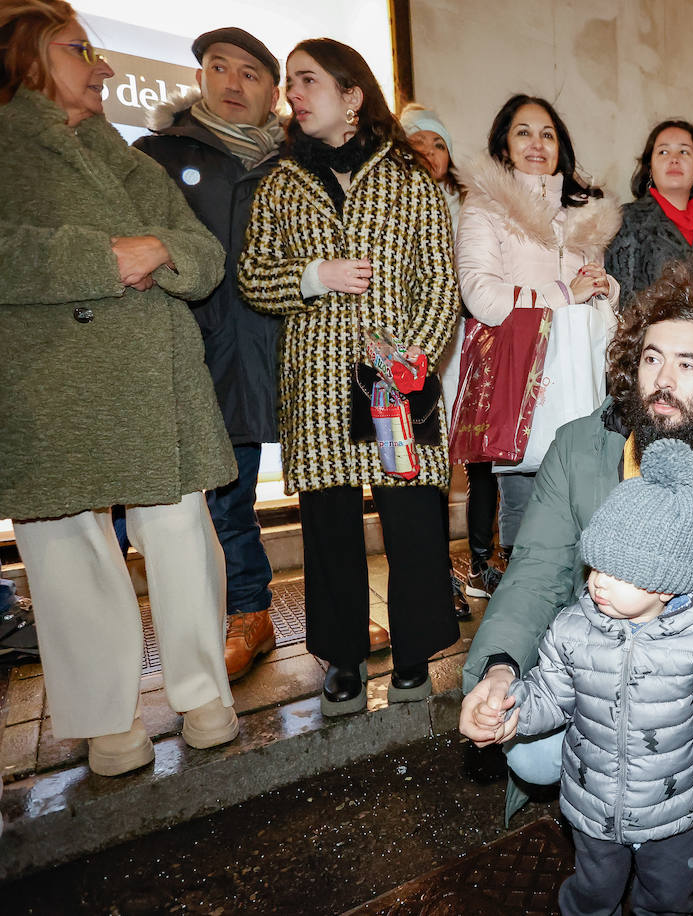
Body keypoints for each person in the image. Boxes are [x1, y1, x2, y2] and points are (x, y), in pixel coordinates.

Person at [458, 262, 693, 840]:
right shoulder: (583, 446)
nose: (663, 378)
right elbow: (536, 569)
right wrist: (499, 666)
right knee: (529, 754)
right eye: (652, 357)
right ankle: (625, 788)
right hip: (600, 647)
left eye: (689, 364)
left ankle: (668, 776)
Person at [0, 0, 241, 775]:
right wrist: (105, 256)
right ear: (27, 57)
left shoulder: (126, 156)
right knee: (67, 545)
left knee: (179, 530)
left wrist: (158, 249)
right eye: (80, 49)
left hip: (155, 376)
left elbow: (202, 257)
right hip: (49, 381)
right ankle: (106, 718)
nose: (102, 66)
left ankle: (203, 694)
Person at [238, 38, 461, 715]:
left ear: (352, 95)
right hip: (317, 379)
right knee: (329, 521)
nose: (292, 95)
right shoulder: (280, 182)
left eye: (307, 81)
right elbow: (252, 278)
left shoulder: (410, 178)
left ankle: (417, 652)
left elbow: (441, 284)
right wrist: (313, 277)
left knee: (414, 516)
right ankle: (341, 658)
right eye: (291, 84)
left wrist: (407, 360)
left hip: (400, 373)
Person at [502, 438, 693, 915]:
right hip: (592, 800)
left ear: (665, 585)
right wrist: (512, 709)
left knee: (668, 894)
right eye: (596, 565)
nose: (597, 581)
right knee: (594, 888)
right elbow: (550, 693)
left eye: (618, 573)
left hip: (671, 807)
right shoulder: (574, 627)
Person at [134, 27, 297, 681]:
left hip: (288, 346)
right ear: (199, 77)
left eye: (250, 73)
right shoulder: (156, 156)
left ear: (274, 93)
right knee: (223, 494)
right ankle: (246, 612)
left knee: (316, 485)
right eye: (219, 68)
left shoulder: (296, 163)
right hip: (204, 347)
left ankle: (320, 607)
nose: (233, 83)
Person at [455, 94, 619, 557]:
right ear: (504, 145)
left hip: (578, 373)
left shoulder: (585, 215)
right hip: (522, 370)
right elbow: (481, 295)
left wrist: (604, 286)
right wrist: (562, 295)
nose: (536, 143)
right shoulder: (486, 207)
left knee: (585, 497)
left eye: (547, 134)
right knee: (526, 496)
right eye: (523, 131)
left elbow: (596, 307)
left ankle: (577, 607)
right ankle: (526, 604)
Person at [398, 102, 479, 613]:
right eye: (419, 142)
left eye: (439, 144)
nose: (429, 152)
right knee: (417, 468)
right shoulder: (394, 202)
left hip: (457, 351)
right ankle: (429, 576)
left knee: (452, 470)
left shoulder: (466, 208)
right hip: (412, 352)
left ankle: (448, 568)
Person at [606, 119, 693, 308]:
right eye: (663, 152)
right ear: (650, 168)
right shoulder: (626, 220)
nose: (674, 159)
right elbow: (620, 300)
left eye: (684, 151)